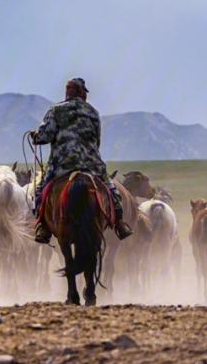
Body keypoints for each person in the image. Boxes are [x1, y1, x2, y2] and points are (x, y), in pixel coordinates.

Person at [29, 77, 132, 243]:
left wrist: (36, 136)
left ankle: (43, 227)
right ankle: (120, 223)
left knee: (40, 191)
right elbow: (96, 141)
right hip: (92, 165)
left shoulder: (55, 110)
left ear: (67, 92)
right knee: (111, 189)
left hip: (61, 166)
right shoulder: (93, 112)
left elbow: (44, 136)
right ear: (82, 93)